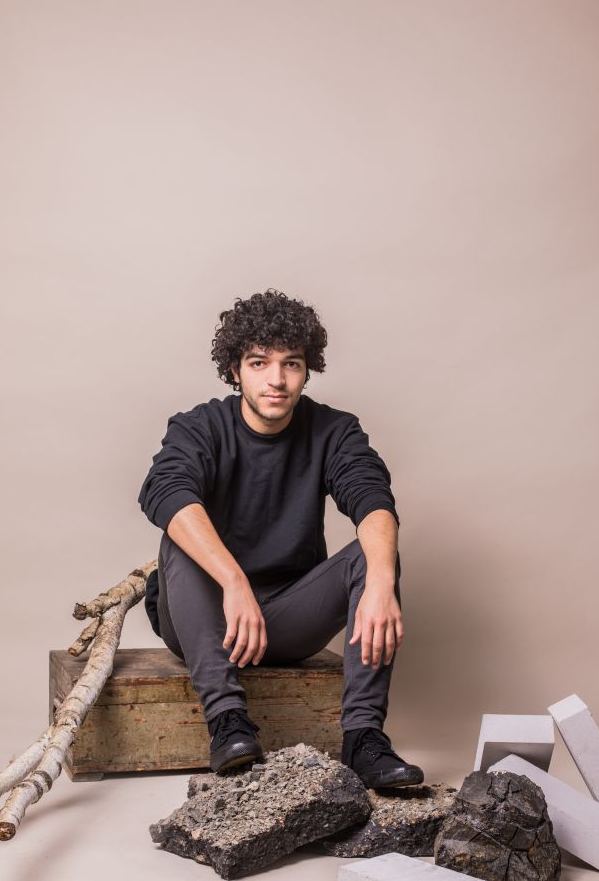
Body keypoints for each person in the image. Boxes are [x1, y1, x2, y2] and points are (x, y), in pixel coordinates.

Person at [137, 288, 424, 789]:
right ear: (235, 370)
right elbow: (164, 491)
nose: (276, 379)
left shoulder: (334, 431)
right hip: (205, 620)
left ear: (307, 370)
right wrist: (234, 582)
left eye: (291, 363)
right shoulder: (199, 426)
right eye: (259, 363)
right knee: (178, 535)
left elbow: (371, 497)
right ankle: (228, 723)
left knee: (377, 553)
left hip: (287, 621)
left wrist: (381, 580)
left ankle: (363, 738)